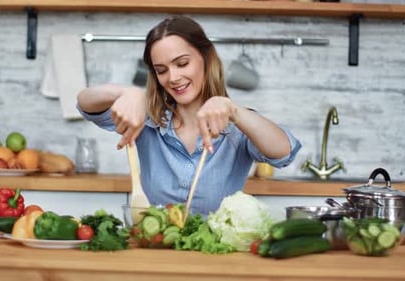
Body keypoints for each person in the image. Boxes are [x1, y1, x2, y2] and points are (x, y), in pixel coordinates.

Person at [77, 15, 301, 216]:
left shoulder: (236, 127)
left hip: (217, 255)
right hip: (157, 248)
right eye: (162, 70)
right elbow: (85, 103)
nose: (173, 77)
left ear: (206, 58)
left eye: (182, 63)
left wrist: (234, 110)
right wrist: (126, 92)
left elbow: (284, 152)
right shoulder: (146, 120)